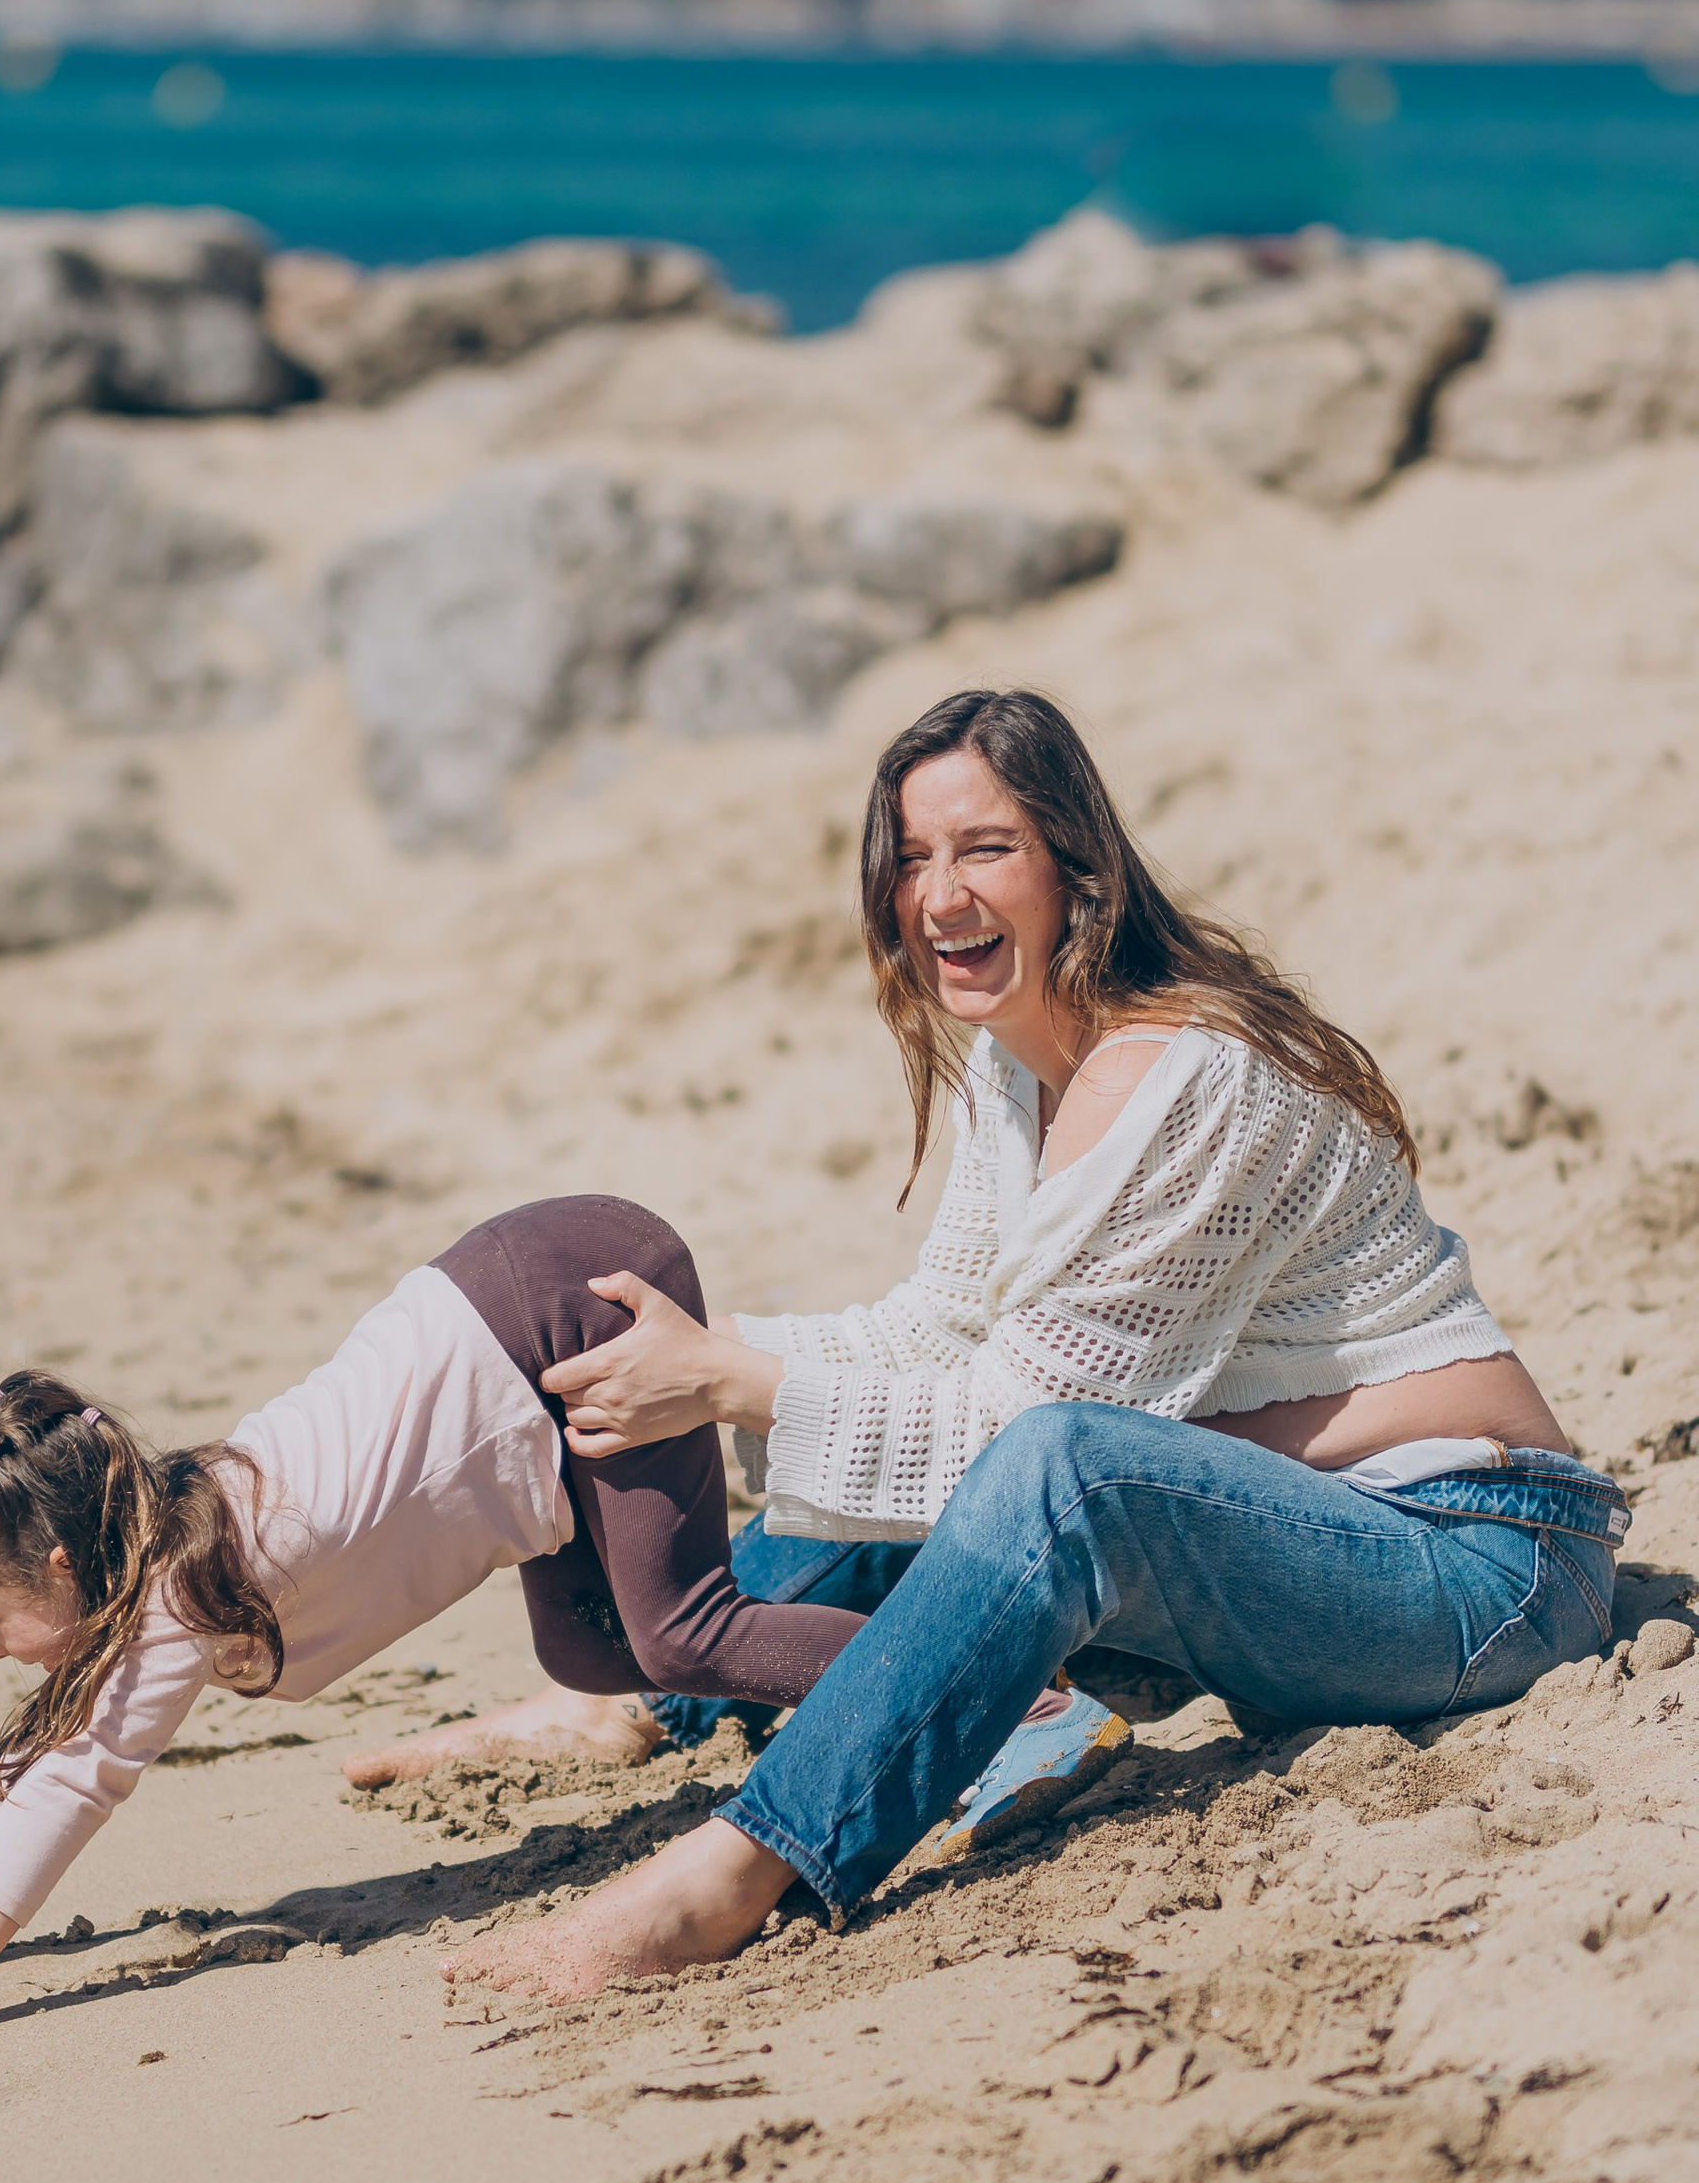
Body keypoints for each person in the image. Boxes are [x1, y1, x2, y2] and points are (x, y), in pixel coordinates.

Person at [454, 683, 1625, 2005]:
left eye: (986, 848)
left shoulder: (1185, 1082)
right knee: (882, 1447)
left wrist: (731, 1385)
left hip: (1481, 1563)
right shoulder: (1025, 1063)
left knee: (1045, 1469)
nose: (939, 892)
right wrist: (689, 1356)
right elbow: (935, 1332)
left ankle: (733, 1874)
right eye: (913, 856)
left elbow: (1020, 1435)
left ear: (1080, 866)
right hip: (1305, 1526)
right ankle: (652, 1700)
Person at [0, 1200, 876, 2064]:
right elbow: (40, 1757)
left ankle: (981, 1679)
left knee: (684, 1635)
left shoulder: (177, 1587)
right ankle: (869, 1602)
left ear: (65, 1565)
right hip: (506, 1324)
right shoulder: (147, 1542)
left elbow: (76, 1781)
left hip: (563, 1302)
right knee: (594, 1656)